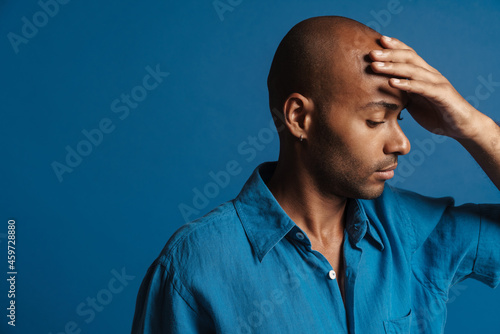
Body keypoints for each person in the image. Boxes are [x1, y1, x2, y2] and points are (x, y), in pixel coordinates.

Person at [131, 16, 500, 333]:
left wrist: (471, 126)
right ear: (298, 118)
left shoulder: (414, 232)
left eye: (398, 118)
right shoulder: (195, 265)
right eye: (375, 120)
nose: (401, 144)